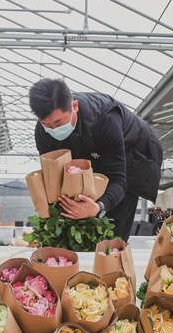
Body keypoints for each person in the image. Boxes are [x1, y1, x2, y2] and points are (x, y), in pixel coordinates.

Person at [29, 78, 163, 241]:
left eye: (59, 122)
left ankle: (112, 258)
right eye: (48, 125)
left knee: (113, 223)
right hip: (90, 150)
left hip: (134, 153)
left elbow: (119, 179)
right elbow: (52, 177)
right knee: (75, 210)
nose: (54, 129)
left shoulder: (106, 119)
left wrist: (99, 207)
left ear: (75, 107)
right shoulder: (43, 132)